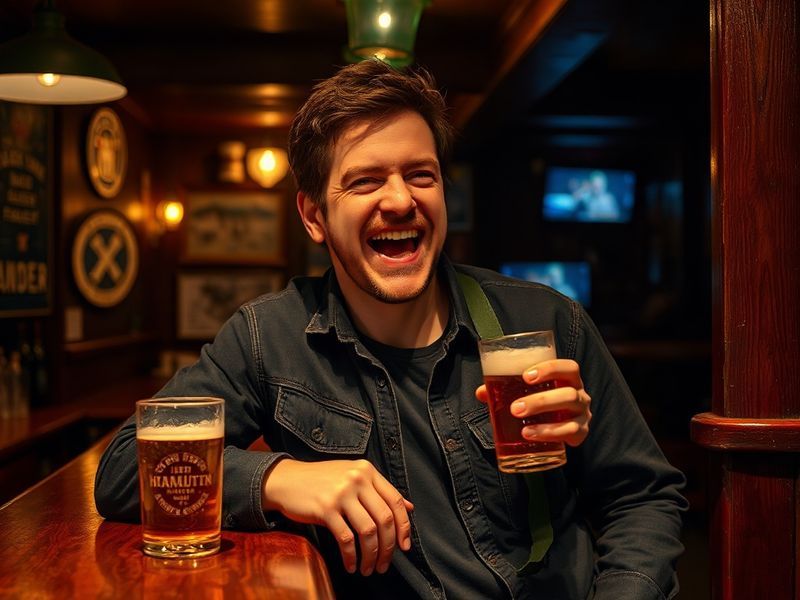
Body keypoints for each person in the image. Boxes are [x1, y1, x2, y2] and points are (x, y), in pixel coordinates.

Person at [95, 59, 687, 599]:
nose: (400, 200)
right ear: (313, 216)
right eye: (365, 181)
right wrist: (279, 477)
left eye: (420, 175)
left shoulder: (546, 320)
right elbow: (125, 469)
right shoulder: (266, 337)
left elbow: (643, 498)